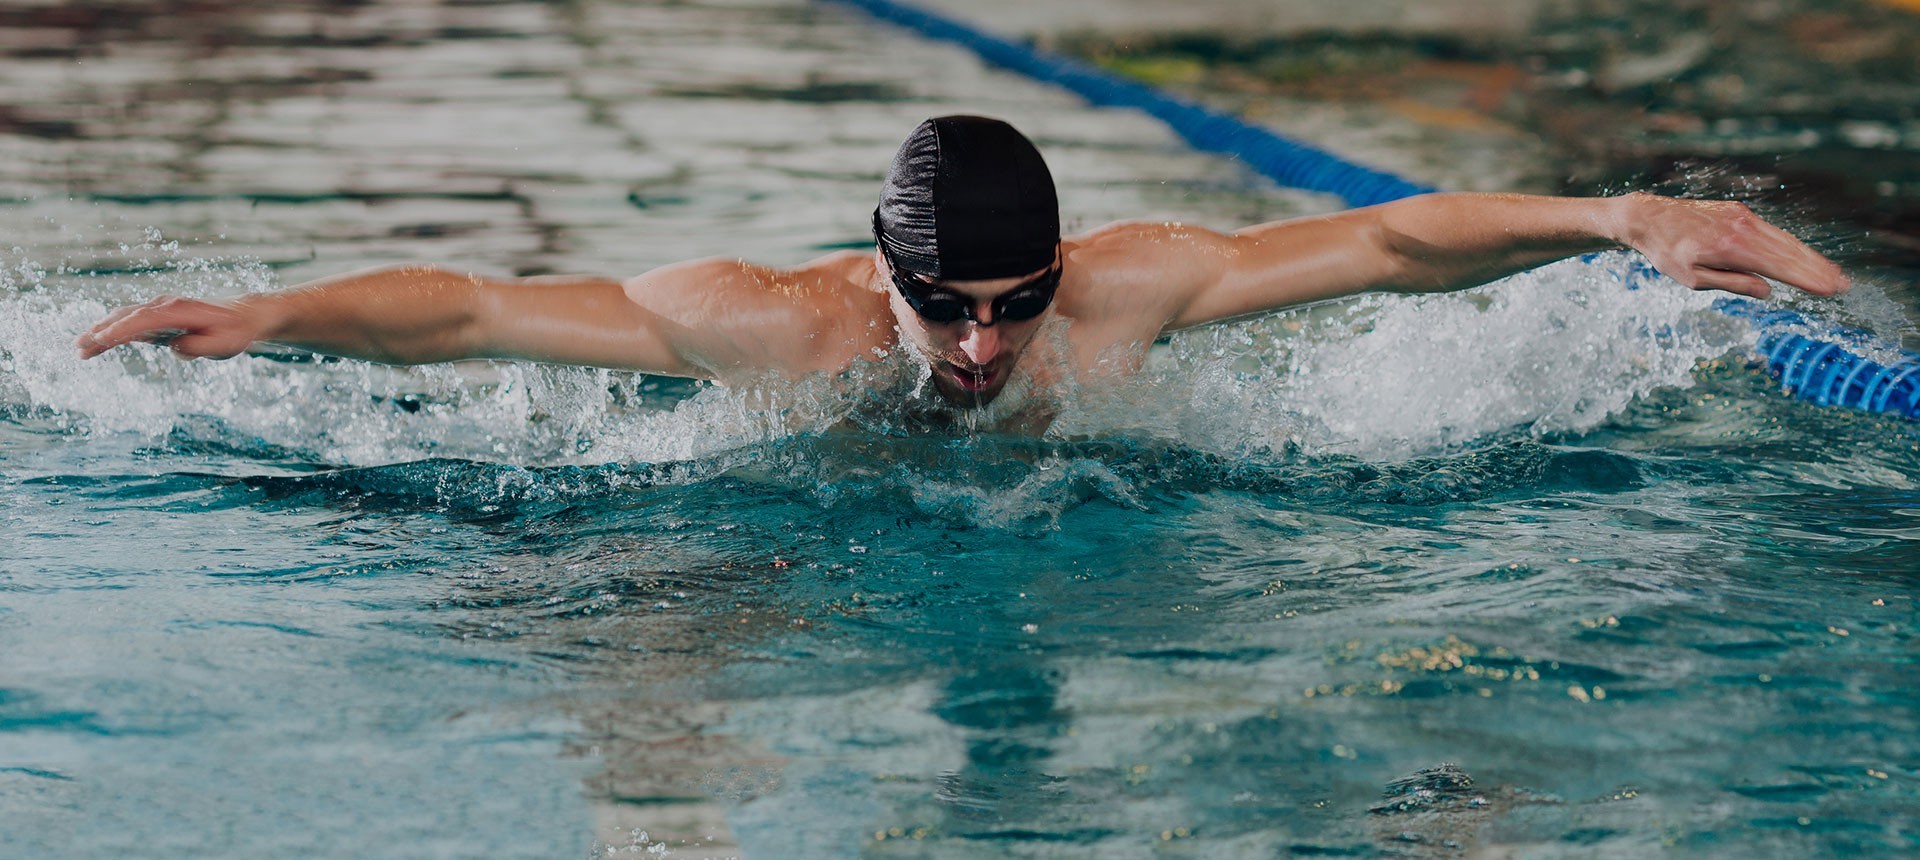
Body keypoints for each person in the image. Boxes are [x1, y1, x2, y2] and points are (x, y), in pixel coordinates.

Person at [77, 115, 1849, 428]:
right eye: (950, 309)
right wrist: (275, 314)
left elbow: (1386, 244)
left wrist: (1617, 221)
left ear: (1061, 264)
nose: (987, 347)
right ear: (883, 271)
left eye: (1017, 304)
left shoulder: (1128, 288)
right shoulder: (776, 326)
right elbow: (463, 311)